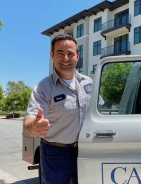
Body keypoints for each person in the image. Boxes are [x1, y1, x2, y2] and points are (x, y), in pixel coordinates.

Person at [23, 34, 92, 184]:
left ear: (77, 56)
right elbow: (29, 122)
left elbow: (100, 111)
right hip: (56, 154)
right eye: (60, 53)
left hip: (86, 150)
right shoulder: (43, 88)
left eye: (70, 53)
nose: (65, 58)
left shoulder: (89, 83)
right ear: (52, 55)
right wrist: (35, 127)